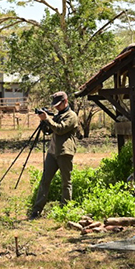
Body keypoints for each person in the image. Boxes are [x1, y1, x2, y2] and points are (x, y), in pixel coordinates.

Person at [28, 91, 79, 219]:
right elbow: (49, 131)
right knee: (45, 180)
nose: (56, 107)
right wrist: (44, 122)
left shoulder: (71, 116)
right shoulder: (57, 115)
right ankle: (37, 210)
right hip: (52, 152)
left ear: (65, 102)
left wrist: (48, 119)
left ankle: (65, 210)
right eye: (55, 105)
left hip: (64, 152)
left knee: (66, 182)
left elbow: (60, 129)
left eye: (58, 104)